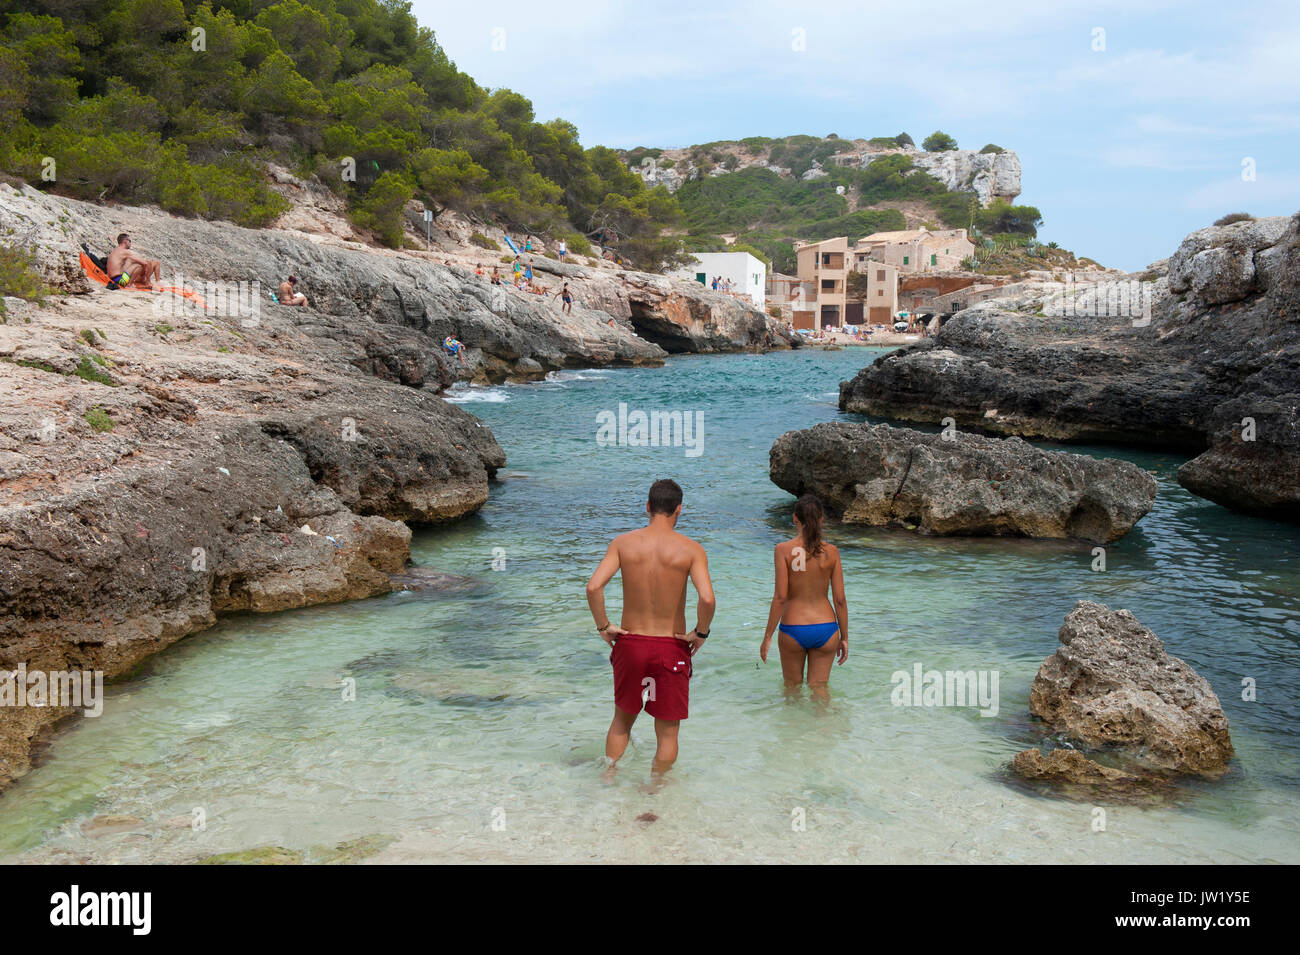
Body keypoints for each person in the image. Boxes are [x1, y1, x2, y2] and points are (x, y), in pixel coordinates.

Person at [586, 479, 715, 778]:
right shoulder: (691, 549)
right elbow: (707, 598)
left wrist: (603, 626)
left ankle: (609, 776)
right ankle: (656, 789)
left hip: (630, 645)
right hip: (671, 648)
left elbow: (593, 587)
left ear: (647, 507)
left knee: (622, 720)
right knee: (668, 732)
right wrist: (701, 632)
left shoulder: (622, 543)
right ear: (679, 510)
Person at [760, 494, 848, 701]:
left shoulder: (783, 550)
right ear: (821, 519)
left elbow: (780, 597)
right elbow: (840, 600)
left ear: (795, 519)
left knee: (792, 690)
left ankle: (793, 733)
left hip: (793, 628)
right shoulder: (832, 552)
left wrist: (767, 636)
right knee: (819, 688)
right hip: (826, 628)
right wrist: (844, 637)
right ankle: (824, 731)